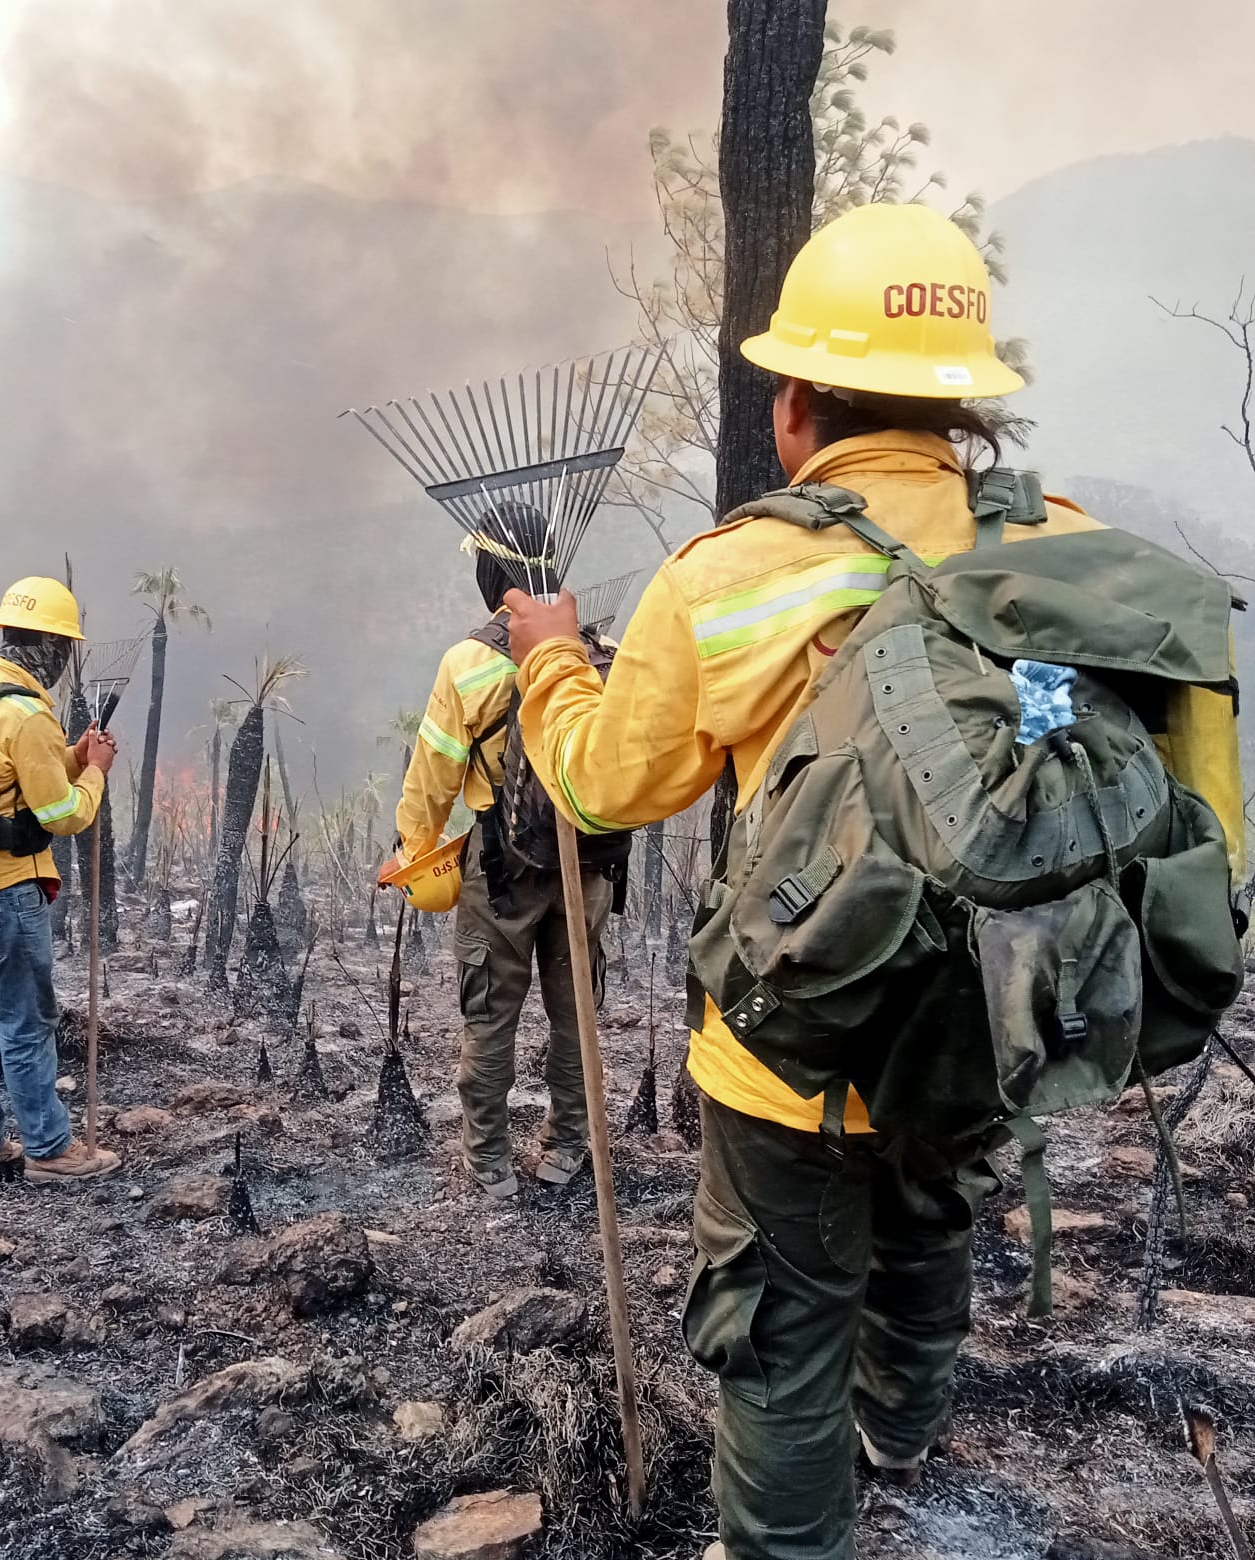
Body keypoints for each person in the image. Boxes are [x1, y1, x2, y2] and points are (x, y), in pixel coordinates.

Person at [504, 205, 1106, 1559]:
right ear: (966, 407)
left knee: (780, 1320)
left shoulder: (728, 574)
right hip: (992, 1014)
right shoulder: (1069, 543)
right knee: (932, 1215)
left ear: (792, 409)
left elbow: (604, 785)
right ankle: (904, 1430)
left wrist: (549, 653)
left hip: (794, 1041)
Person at [384, 504, 614, 1200]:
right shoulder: (599, 652)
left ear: (488, 572)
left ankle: (488, 1168)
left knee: (490, 1018)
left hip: (502, 872)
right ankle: (569, 1148)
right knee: (578, 1016)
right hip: (592, 867)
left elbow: (434, 776)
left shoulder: (468, 663)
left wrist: (412, 850)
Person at [0, 576, 121, 1185]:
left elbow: (4, 785)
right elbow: (62, 815)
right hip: (7, 892)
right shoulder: (26, 715)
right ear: (50, 646)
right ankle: (49, 1148)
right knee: (25, 1022)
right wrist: (94, 772)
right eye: (63, 645)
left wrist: (72, 756)